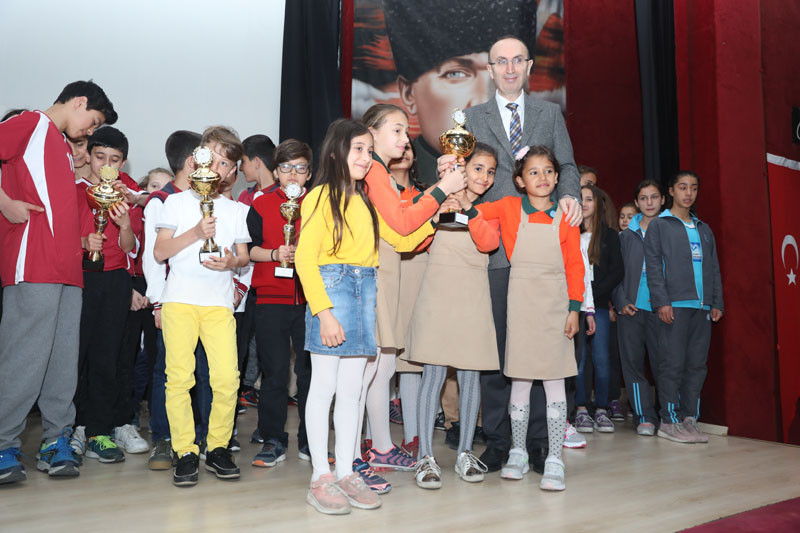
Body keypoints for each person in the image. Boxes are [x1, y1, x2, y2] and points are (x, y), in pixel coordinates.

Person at [457, 35, 582, 474]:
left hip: (545, 253)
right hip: (494, 251)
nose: (509, 68)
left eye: (517, 61)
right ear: (489, 69)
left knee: (545, 347)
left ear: (529, 67)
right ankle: (499, 441)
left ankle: (540, 443)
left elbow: (567, 166)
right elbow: (461, 173)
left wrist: (571, 196)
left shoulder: (550, 114)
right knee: (497, 350)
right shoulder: (471, 118)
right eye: (501, 62)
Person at [296, 119, 434, 514]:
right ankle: (321, 475)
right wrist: (324, 314)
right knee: (324, 386)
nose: (365, 157)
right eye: (357, 148)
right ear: (336, 152)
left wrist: (437, 208)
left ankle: (346, 471)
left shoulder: (365, 202)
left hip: (363, 295)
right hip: (332, 293)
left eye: (369, 150)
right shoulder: (319, 196)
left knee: (352, 390)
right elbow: (305, 259)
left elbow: (403, 239)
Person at [0, 80, 116, 484]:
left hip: (69, 270)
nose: (89, 131)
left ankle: (55, 439)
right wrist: (4, 202)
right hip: (33, 264)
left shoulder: (62, 146)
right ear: (78, 102)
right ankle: (3, 443)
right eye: (92, 121)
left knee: (62, 361)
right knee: (24, 357)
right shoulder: (30, 122)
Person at [356, 104, 466, 490]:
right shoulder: (373, 172)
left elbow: (403, 238)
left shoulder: (381, 174)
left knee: (382, 365)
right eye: (398, 130)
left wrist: (435, 206)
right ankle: (358, 452)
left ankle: (380, 446)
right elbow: (402, 225)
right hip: (373, 276)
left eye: (406, 131)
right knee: (368, 370)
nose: (406, 139)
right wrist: (442, 190)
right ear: (371, 133)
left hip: (385, 274)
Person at [475, 145, 583, 490]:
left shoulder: (566, 217)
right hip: (520, 307)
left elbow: (575, 266)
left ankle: (554, 457)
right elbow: (474, 210)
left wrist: (574, 308)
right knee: (519, 382)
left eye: (548, 171)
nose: (542, 177)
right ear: (520, 180)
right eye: (533, 172)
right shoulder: (508, 207)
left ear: (557, 177)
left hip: (556, 309)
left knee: (554, 383)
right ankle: (518, 451)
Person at [153, 126, 249, 487]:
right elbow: (160, 252)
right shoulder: (175, 202)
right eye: (212, 157)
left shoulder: (236, 210)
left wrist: (232, 263)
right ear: (197, 158)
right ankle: (185, 451)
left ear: (233, 172)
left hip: (218, 304)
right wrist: (195, 232)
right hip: (179, 300)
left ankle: (218, 446)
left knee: (226, 378)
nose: (217, 167)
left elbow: (243, 257)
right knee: (179, 378)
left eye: (225, 163)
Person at [407, 143, 500, 489]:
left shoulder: (489, 210)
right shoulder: (436, 201)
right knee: (432, 374)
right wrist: (435, 214)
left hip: (473, 297)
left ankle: (465, 453)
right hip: (437, 294)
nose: (484, 177)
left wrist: (467, 209)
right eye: (478, 169)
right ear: (461, 169)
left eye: (491, 172)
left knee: (470, 374)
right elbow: (415, 241)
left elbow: (489, 243)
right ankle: (425, 458)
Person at [74, 126, 146, 463]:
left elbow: (130, 248)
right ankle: (74, 428)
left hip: (115, 279)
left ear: (123, 163)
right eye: (99, 156)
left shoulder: (126, 192)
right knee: (75, 357)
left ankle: (99, 431)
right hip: (77, 279)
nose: (105, 165)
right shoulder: (72, 188)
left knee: (107, 356)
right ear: (88, 155)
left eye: (114, 160)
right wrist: (82, 243)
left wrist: (125, 225)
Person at [246, 139, 313, 467]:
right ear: (275, 171)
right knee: (273, 374)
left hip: (310, 300)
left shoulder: (317, 204)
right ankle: (273, 439)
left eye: (300, 168)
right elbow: (248, 250)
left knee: (309, 374)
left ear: (309, 173)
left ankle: (311, 441)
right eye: (286, 168)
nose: (292, 174)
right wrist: (275, 254)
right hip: (270, 298)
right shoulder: (261, 204)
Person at [645, 171, 724, 444]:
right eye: (682, 187)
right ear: (671, 191)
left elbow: (714, 268)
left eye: (693, 188)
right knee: (672, 363)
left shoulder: (704, 229)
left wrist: (716, 301)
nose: (688, 193)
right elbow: (653, 266)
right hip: (675, 306)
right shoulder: (660, 225)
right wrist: (662, 301)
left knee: (696, 366)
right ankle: (668, 421)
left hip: (701, 308)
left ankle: (690, 419)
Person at [142, 130, 201, 470]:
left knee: (196, 371)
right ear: (192, 161)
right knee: (168, 369)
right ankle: (163, 438)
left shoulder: (201, 197)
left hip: (200, 300)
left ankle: (194, 436)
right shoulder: (161, 200)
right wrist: (158, 302)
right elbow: (153, 258)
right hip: (171, 300)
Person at [613, 180, 664, 436]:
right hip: (631, 310)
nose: (649, 203)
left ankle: (668, 416)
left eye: (654, 197)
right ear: (636, 202)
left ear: (663, 200)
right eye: (644, 198)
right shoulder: (625, 236)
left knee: (663, 365)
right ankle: (643, 416)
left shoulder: (671, 230)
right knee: (632, 365)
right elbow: (614, 273)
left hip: (662, 310)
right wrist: (621, 301)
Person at [575, 184, 623, 433]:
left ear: (597, 204)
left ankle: (602, 408)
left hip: (601, 305)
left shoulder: (609, 236)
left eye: (589, 199)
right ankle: (581, 409)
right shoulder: (569, 233)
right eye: (580, 199)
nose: (584, 204)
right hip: (575, 307)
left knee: (602, 358)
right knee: (579, 360)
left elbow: (617, 271)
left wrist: (594, 293)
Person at [239, 134, 276, 206]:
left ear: (257, 162)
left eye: (243, 161)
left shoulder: (282, 195)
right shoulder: (245, 196)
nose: (240, 168)